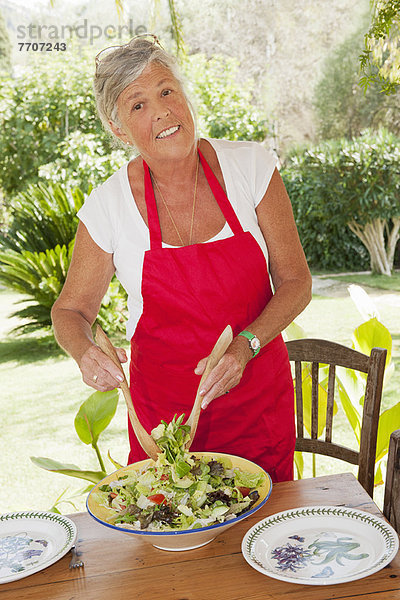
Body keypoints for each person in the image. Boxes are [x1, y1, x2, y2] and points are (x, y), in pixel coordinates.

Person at [51, 34, 312, 483]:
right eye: (138, 105)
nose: (162, 112)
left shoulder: (250, 167)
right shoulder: (108, 204)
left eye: (167, 91)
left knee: (269, 544)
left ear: (184, 95)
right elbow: (70, 310)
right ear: (118, 129)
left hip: (257, 408)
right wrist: (84, 352)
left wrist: (245, 347)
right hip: (164, 430)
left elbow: (296, 282)